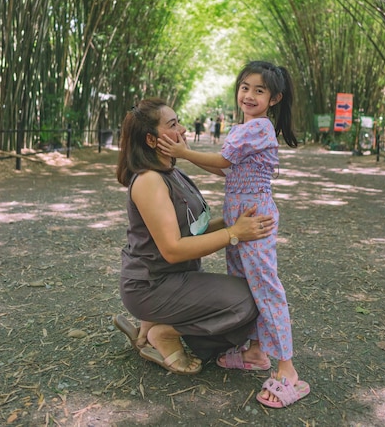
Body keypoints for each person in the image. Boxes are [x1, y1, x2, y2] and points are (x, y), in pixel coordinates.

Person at [158, 61, 310, 408]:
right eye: (245, 87)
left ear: (275, 98)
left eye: (259, 90)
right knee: (244, 281)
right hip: (241, 218)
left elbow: (223, 161)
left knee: (266, 287)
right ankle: (257, 352)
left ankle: (288, 369)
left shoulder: (257, 128)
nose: (250, 94)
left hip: (253, 219)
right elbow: (225, 169)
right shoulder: (245, 129)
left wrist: (182, 152)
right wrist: (186, 157)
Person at [113, 97, 274, 377]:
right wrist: (232, 234)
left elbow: (193, 229)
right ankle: (163, 332)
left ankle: (151, 327)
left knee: (257, 293)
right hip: (153, 285)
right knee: (248, 302)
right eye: (173, 125)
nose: (184, 130)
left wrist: (233, 222)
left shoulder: (173, 172)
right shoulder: (150, 181)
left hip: (175, 280)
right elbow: (173, 249)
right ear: (151, 140)